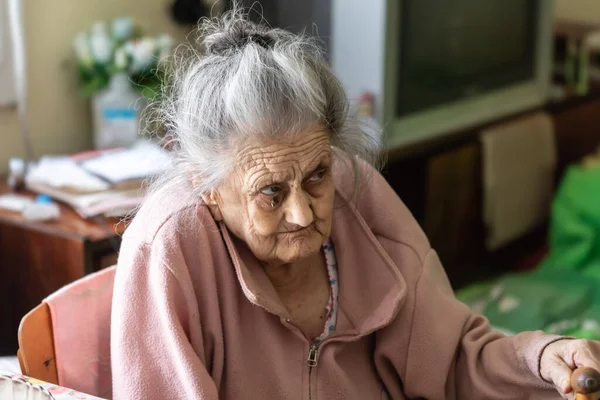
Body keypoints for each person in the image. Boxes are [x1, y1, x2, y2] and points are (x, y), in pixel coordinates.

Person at [111, 8, 600, 400]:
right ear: (208, 187)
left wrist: (540, 358)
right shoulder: (168, 246)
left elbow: (449, 360)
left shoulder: (355, 189)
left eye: (316, 174)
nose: (303, 214)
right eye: (271, 192)